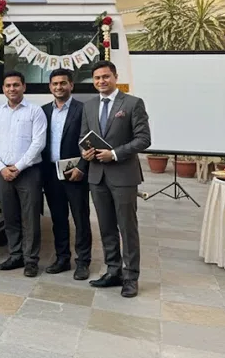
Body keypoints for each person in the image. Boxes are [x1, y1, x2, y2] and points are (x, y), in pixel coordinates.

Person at [81, 60, 151, 298]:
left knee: (127, 228)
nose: (101, 81)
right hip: (97, 176)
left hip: (123, 175)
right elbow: (83, 136)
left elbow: (143, 139)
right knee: (106, 226)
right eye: (97, 78)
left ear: (115, 77)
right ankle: (113, 271)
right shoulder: (89, 105)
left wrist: (114, 154)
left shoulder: (132, 103)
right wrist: (85, 152)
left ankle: (131, 277)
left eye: (106, 76)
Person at [0, 70, 47, 278]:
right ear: (3, 89)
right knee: (9, 217)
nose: (12, 89)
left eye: (16, 85)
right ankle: (15, 255)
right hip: (3, 172)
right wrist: (1, 167)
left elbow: (38, 143)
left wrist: (18, 167)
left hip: (28, 172)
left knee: (30, 218)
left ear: (24, 87)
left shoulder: (35, 111)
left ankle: (31, 260)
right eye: (8, 86)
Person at [41, 68, 92, 281]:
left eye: (63, 83)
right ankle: (62, 258)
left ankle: (83, 262)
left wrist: (82, 167)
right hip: (51, 173)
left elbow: (90, 141)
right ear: (50, 87)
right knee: (58, 218)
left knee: (81, 218)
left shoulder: (83, 110)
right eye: (55, 83)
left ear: (71, 85)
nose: (59, 87)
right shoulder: (44, 111)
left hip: (75, 173)